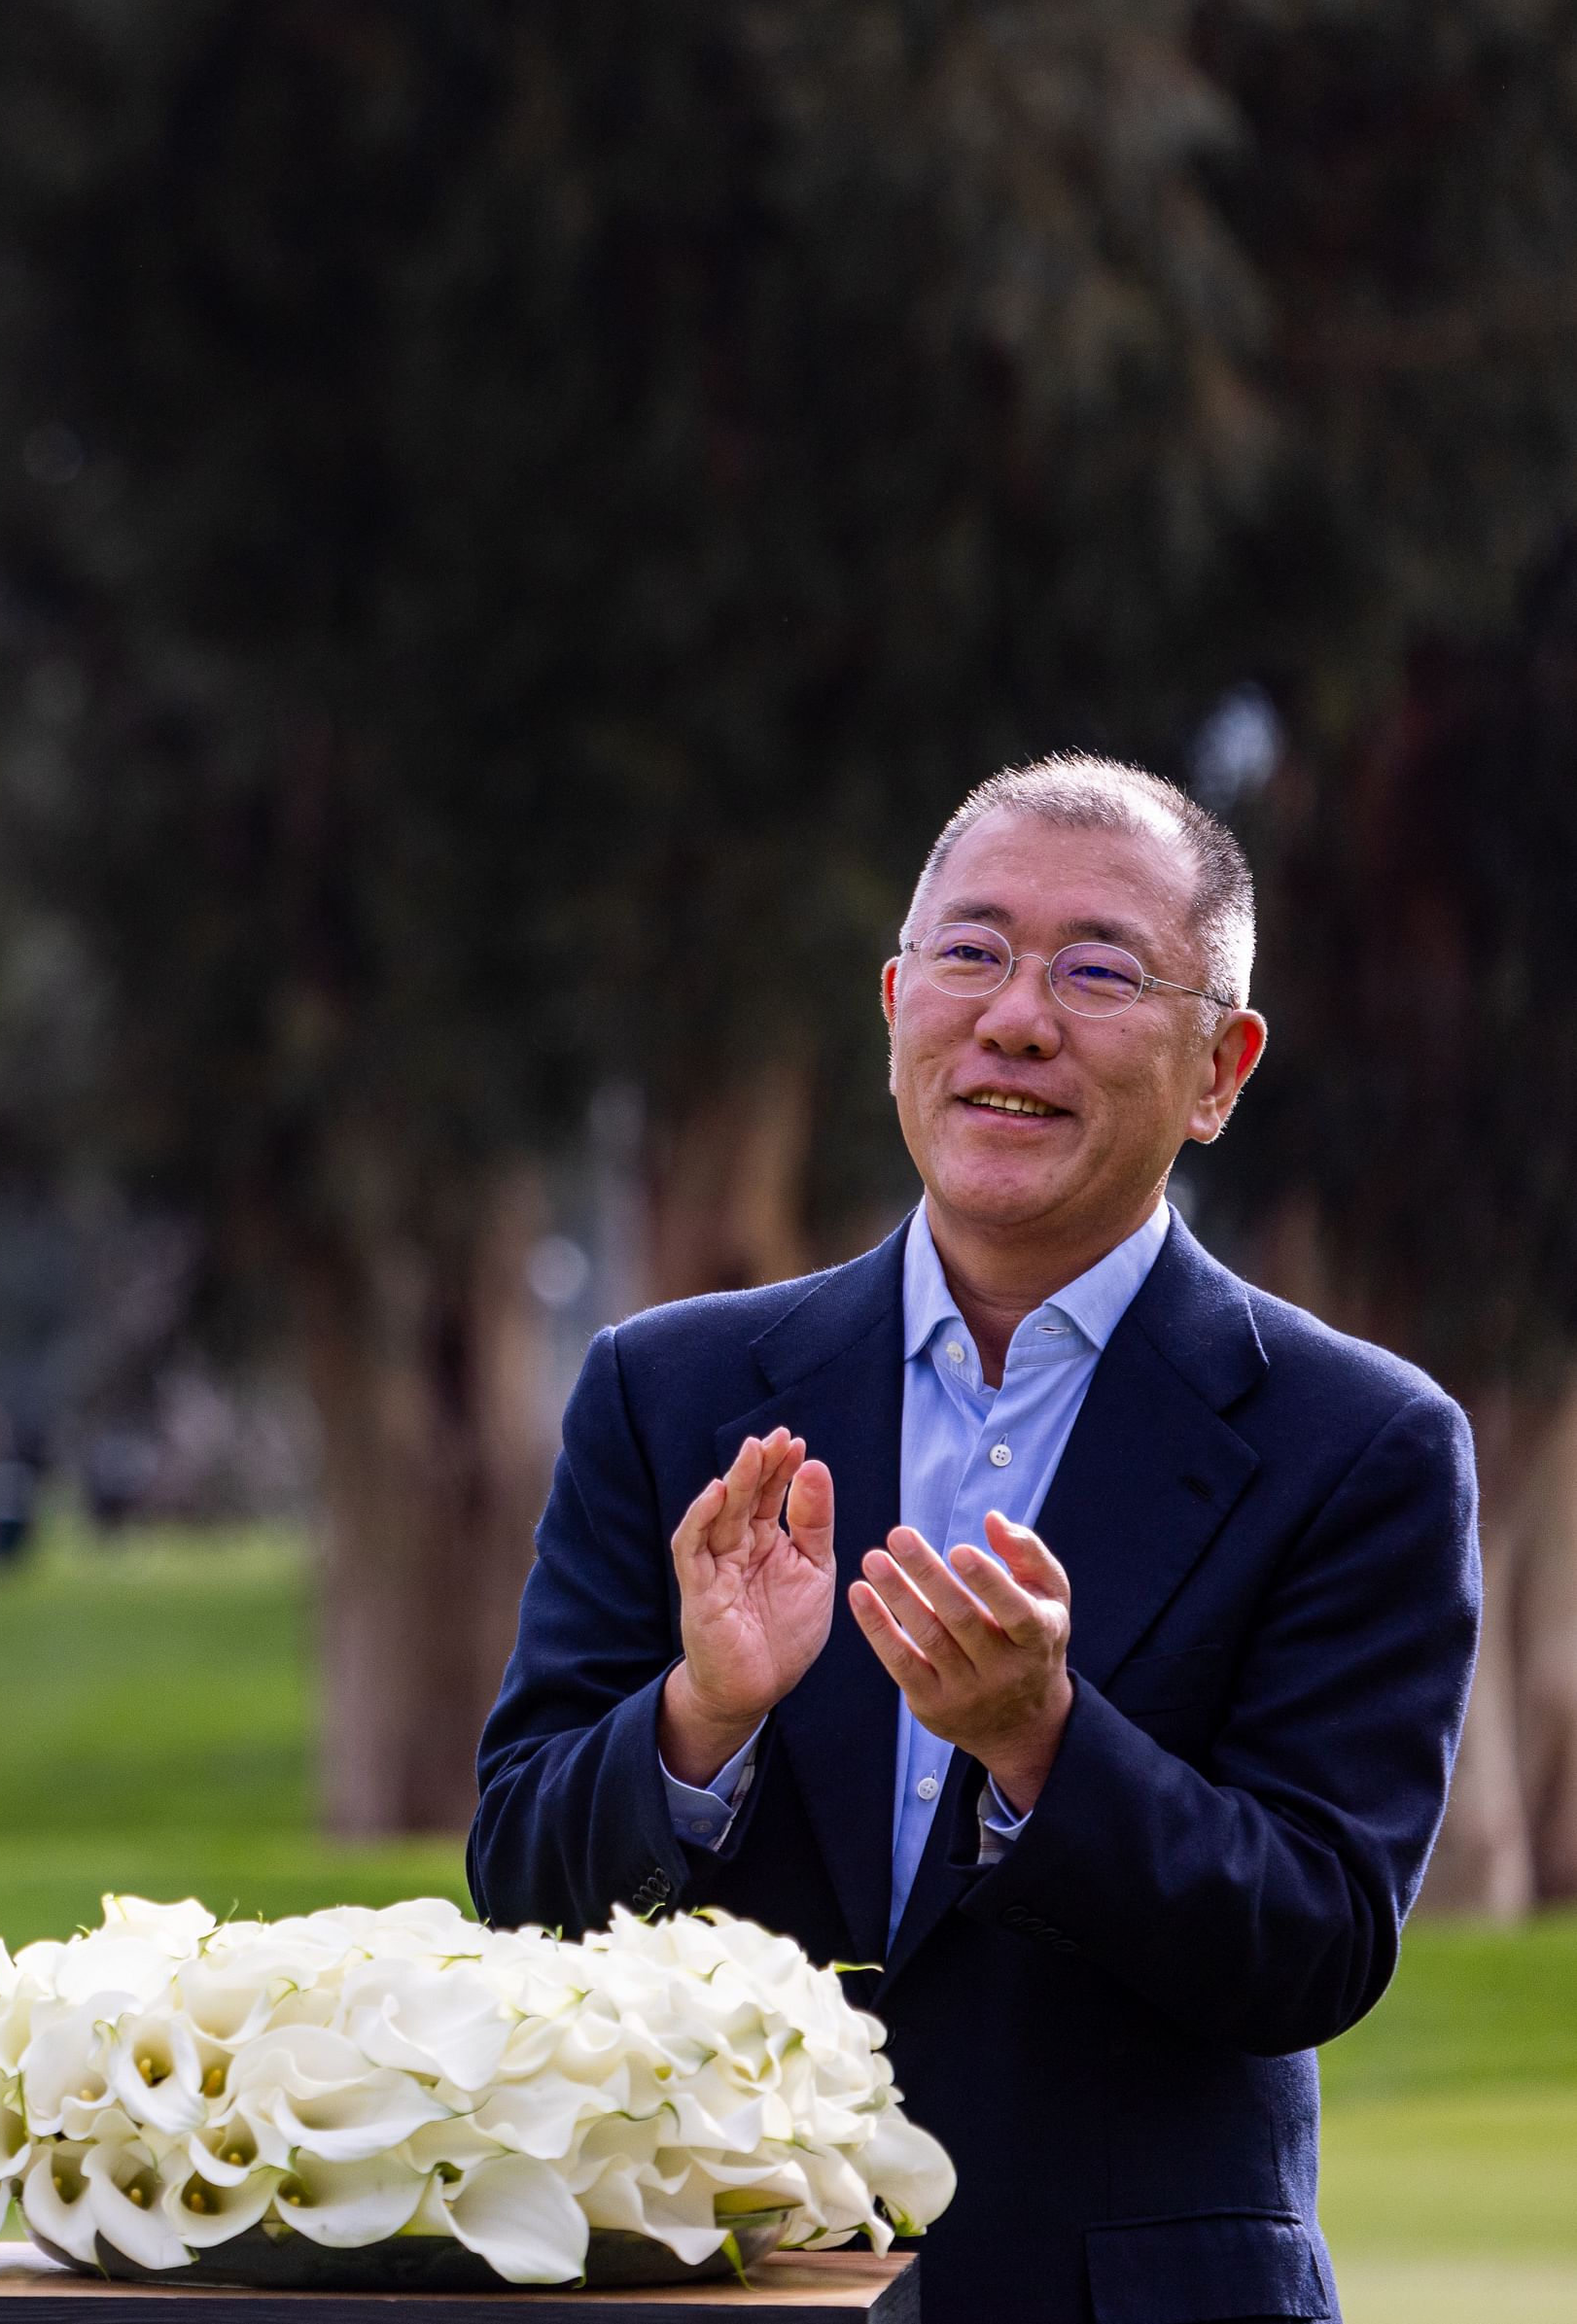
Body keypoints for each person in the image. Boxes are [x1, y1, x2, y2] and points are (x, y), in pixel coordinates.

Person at [473, 755, 1481, 2324]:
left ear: (1222, 1066)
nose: (1018, 1015)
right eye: (971, 951)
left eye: (1098, 969)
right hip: (719, 2287)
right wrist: (701, 1718)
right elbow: (521, 1884)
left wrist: (1046, 1748)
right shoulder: (666, 1391)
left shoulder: (1359, 1442)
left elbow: (1317, 1945)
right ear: (893, 1006)